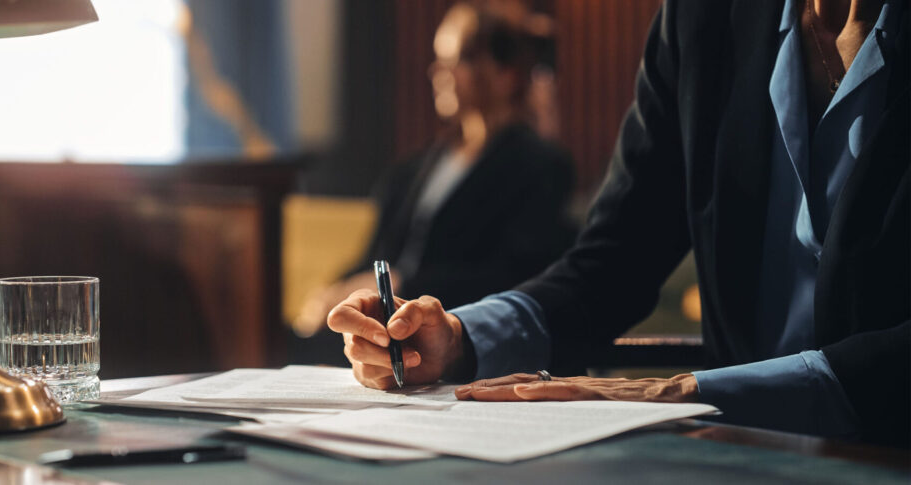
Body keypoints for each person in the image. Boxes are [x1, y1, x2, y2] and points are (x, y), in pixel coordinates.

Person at [327, 0, 909, 448]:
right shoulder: (701, 17)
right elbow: (613, 259)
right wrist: (460, 339)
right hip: (743, 456)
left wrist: (680, 393)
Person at [294, 2, 577, 337]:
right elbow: (376, 254)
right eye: (440, 59)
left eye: (460, 60)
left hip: (454, 330)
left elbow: (514, 274)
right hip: (385, 321)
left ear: (507, 74)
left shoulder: (540, 166)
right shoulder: (414, 168)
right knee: (303, 335)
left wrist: (404, 283)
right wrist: (335, 291)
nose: (440, 72)